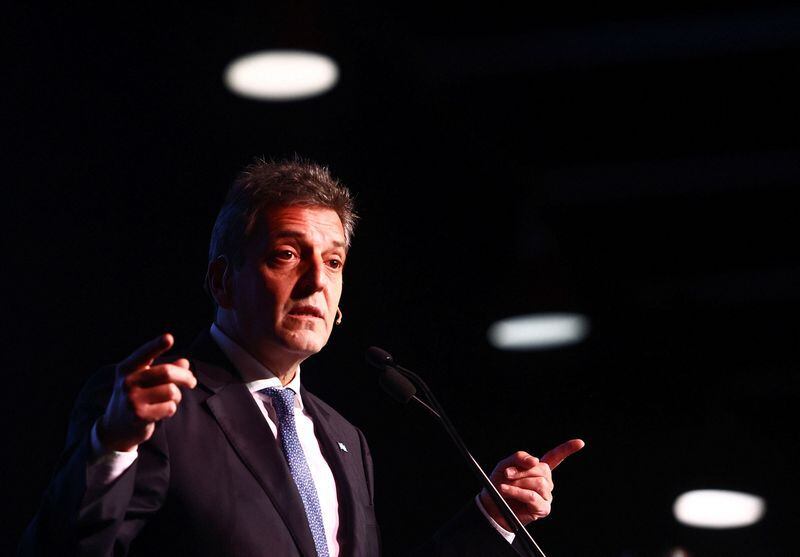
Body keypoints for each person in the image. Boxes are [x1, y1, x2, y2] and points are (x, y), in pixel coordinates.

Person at [20, 158, 584, 556]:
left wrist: (489, 518)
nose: (317, 281)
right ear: (223, 281)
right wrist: (112, 445)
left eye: (334, 261)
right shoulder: (154, 410)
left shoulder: (343, 436)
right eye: (287, 255)